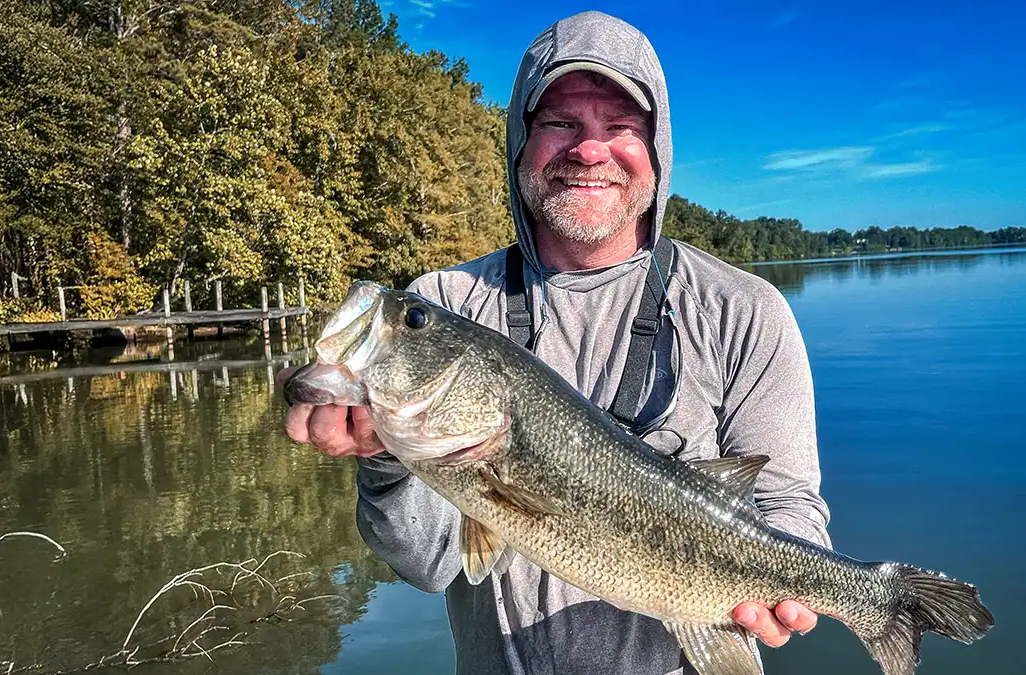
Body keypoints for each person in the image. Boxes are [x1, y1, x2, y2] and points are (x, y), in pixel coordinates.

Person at [279, 10, 831, 675]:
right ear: (521, 141)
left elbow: (788, 504)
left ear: (657, 148)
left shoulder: (743, 311)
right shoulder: (448, 302)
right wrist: (384, 457)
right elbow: (428, 564)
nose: (590, 149)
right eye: (562, 122)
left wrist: (792, 579)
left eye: (621, 125)